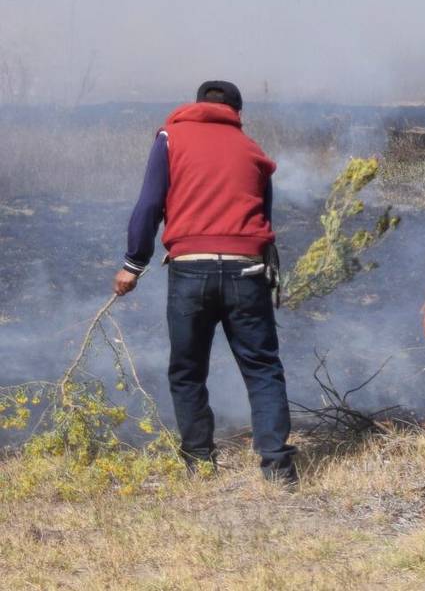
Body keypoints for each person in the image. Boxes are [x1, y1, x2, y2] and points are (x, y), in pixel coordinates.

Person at [113, 80, 299, 483]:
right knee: (263, 367)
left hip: (191, 270)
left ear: (196, 105)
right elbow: (263, 215)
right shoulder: (251, 149)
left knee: (187, 370)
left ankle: (199, 465)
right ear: (237, 112)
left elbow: (149, 204)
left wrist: (133, 263)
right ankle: (278, 470)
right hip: (247, 271)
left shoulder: (170, 137)